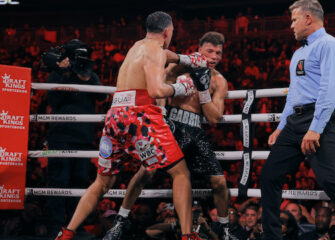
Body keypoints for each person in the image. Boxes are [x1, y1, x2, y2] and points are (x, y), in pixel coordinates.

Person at [55, 11, 207, 240]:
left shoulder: (137, 46)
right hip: (140, 115)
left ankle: (65, 234)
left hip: (115, 115)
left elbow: (165, 53)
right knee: (180, 173)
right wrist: (180, 89)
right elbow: (156, 91)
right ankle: (188, 236)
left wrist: (186, 59)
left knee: (101, 183)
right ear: (167, 31)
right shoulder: (155, 51)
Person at [259, 1, 335, 240]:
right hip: (295, 122)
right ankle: (271, 237)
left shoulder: (330, 45)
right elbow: (294, 93)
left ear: (307, 18)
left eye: (293, 20)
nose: (290, 25)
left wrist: (315, 128)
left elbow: (330, 90)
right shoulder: (298, 53)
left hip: (319, 119)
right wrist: (281, 126)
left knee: (329, 180)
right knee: (269, 176)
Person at [105, 31, 231, 240]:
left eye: (218, 53)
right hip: (170, 124)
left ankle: (225, 231)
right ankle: (121, 220)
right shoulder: (179, 67)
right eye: (210, 51)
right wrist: (162, 116)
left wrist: (202, 90)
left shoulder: (219, 81)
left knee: (219, 182)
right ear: (199, 50)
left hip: (196, 131)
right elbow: (159, 86)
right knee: (147, 170)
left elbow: (214, 118)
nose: (214, 56)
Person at [45, 39, 107, 238]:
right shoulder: (57, 74)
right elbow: (53, 99)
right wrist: (65, 73)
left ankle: (74, 227)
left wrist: (83, 74)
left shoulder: (90, 74)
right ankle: (56, 227)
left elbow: (102, 97)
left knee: (80, 182)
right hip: (60, 136)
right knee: (58, 182)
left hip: (84, 138)